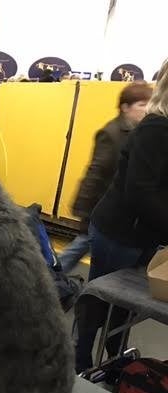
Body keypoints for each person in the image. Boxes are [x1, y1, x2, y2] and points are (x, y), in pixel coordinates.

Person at [74, 61, 168, 373]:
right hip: (119, 231)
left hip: (141, 232)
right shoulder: (156, 128)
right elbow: (139, 192)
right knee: (101, 299)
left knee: (121, 309)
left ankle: (114, 360)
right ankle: (81, 358)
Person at [60, 82, 153, 272]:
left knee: (83, 247)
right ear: (125, 107)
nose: (147, 109)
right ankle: (50, 276)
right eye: (141, 105)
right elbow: (96, 171)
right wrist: (84, 208)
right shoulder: (111, 133)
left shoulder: (138, 133)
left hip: (111, 210)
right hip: (100, 206)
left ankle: (52, 276)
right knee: (81, 247)